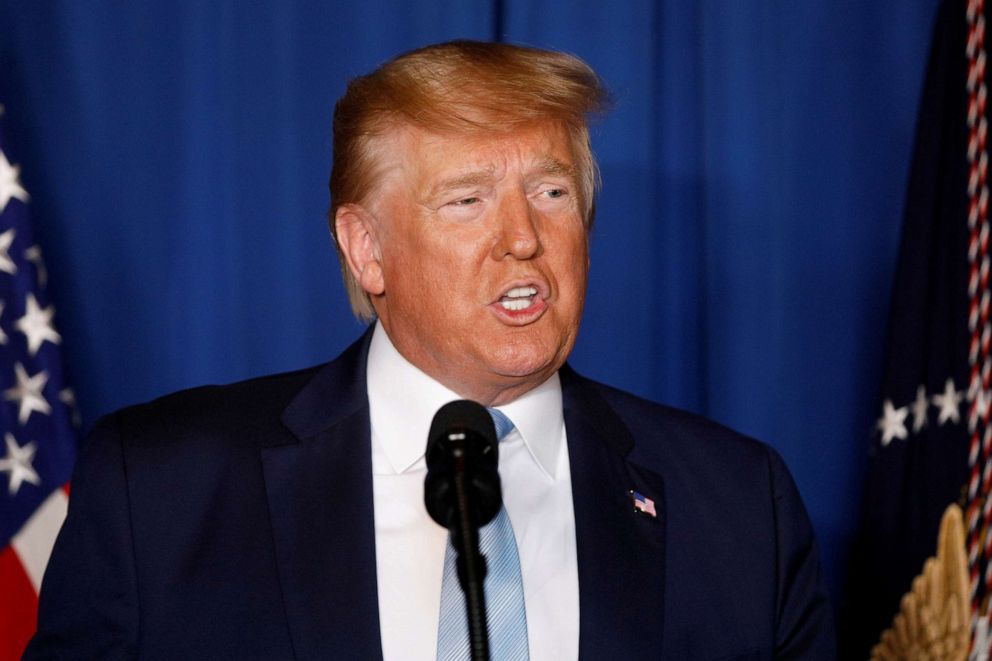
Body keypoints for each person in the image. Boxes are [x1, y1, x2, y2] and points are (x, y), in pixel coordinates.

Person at [25, 41, 835, 660]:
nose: (524, 238)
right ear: (365, 247)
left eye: (552, 192)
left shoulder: (736, 507)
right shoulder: (161, 492)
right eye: (468, 199)